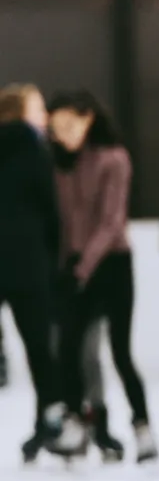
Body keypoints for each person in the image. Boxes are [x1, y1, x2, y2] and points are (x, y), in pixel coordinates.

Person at [45, 91, 158, 464]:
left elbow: (111, 222)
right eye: (55, 128)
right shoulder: (59, 164)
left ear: (88, 119)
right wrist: (64, 267)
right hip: (74, 266)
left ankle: (143, 427)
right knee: (70, 347)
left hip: (111, 265)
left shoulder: (113, 159)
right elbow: (61, 223)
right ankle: (77, 420)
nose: (61, 134)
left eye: (68, 125)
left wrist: (82, 268)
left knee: (120, 351)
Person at [0, 84, 62, 462]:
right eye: (38, 108)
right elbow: (50, 210)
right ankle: (48, 419)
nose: (46, 116)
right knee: (40, 346)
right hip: (28, 261)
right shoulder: (34, 150)